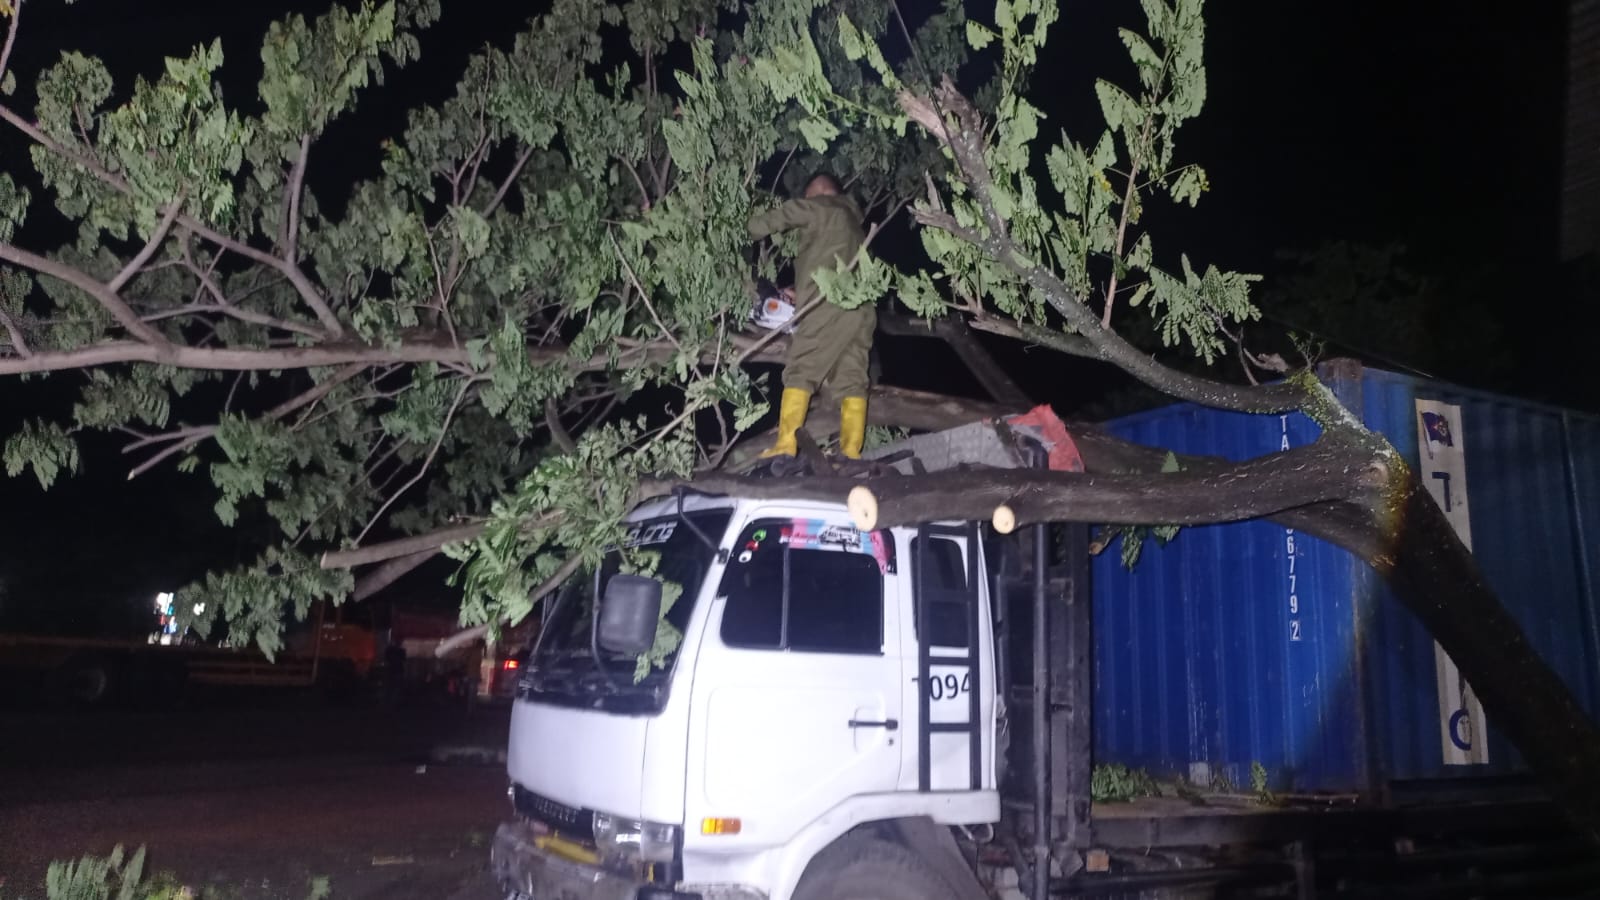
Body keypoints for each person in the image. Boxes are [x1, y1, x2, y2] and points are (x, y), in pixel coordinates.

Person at [746, 173, 874, 459]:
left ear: (819, 192)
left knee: (801, 369)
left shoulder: (823, 207)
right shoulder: (853, 224)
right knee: (852, 379)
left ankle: (785, 445)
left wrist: (739, 229)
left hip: (829, 305)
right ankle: (850, 452)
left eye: (807, 197)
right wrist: (798, 293)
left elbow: (783, 215)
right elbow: (832, 263)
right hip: (861, 311)